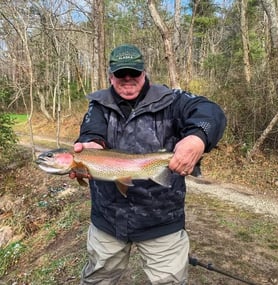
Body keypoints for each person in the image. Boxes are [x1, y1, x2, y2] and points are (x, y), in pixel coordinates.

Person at [72, 44, 226, 285]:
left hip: (162, 221)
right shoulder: (98, 105)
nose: (127, 79)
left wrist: (197, 138)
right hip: (107, 220)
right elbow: (91, 133)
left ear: (144, 72)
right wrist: (90, 145)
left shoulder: (173, 99)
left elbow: (211, 112)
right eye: (120, 74)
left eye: (134, 73)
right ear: (110, 76)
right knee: (97, 280)